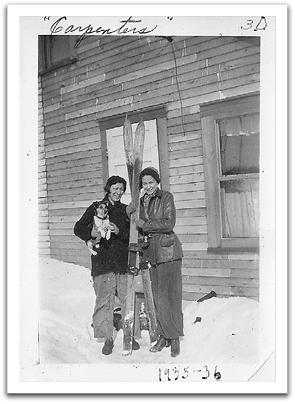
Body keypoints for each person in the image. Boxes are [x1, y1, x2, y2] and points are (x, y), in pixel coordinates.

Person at [74, 175, 139, 355]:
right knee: (104, 301)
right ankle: (107, 338)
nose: (118, 192)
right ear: (108, 188)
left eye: (121, 189)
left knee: (127, 300)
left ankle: (129, 336)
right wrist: (92, 232)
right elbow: (78, 228)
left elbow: (132, 236)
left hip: (121, 262)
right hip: (102, 262)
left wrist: (118, 231)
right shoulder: (96, 206)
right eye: (115, 188)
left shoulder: (126, 210)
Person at [135, 167, 184, 357]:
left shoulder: (166, 197)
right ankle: (164, 334)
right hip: (152, 254)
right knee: (158, 297)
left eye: (151, 182)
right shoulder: (141, 201)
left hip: (168, 252)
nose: (148, 186)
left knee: (171, 296)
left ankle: (174, 338)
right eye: (144, 183)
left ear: (157, 182)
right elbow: (137, 225)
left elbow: (168, 223)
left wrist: (145, 225)